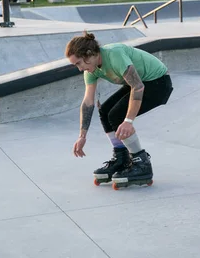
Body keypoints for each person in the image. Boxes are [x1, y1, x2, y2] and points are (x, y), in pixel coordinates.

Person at [66, 31, 174, 188]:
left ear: (90, 54)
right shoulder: (92, 68)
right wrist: (82, 136)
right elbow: (88, 101)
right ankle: (121, 157)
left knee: (117, 115)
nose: (79, 69)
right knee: (105, 110)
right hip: (140, 83)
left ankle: (141, 163)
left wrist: (128, 121)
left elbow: (137, 86)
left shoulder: (114, 54)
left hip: (158, 83)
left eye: (79, 63)